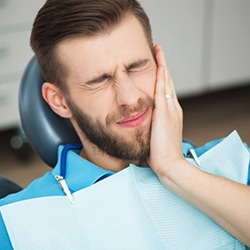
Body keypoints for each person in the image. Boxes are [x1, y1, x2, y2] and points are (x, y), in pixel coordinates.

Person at [0, 0, 250, 248]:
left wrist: (174, 169)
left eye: (137, 67)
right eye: (100, 80)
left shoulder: (234, 164)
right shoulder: (18, 223)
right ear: (60, 101)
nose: (130, 98)